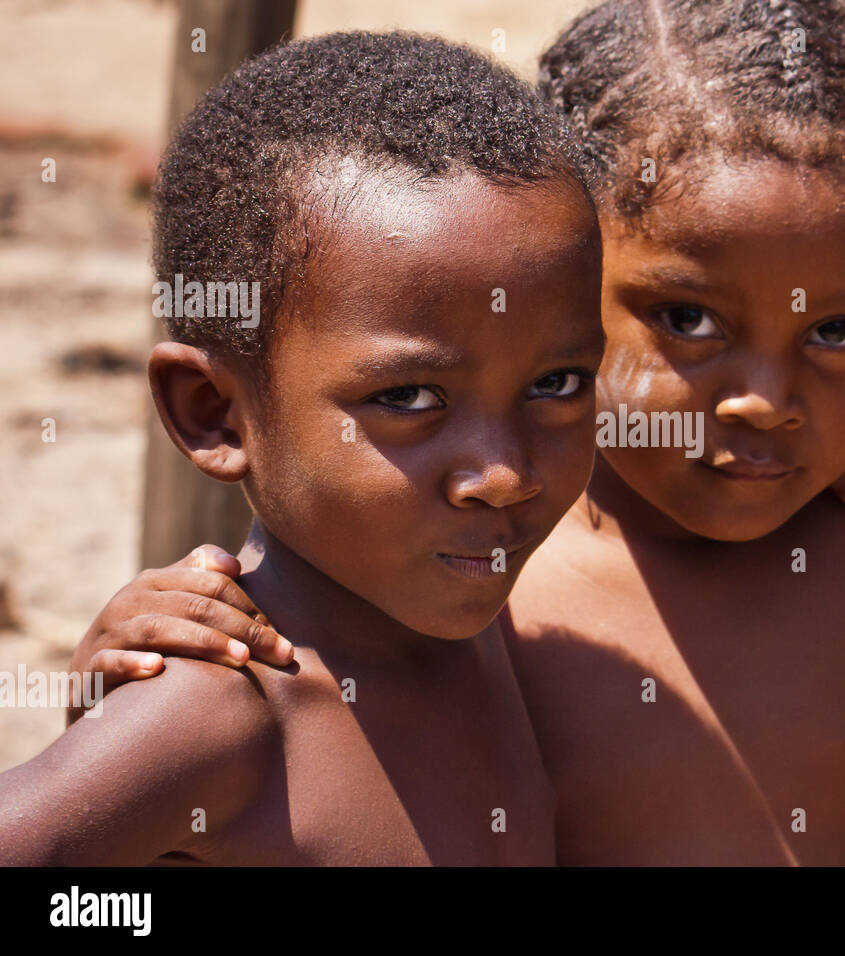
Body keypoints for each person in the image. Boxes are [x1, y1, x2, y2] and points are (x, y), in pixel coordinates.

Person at [68, 0, 845, 865]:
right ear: (554, 275)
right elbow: (255, 751)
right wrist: (123, 670)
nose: (765, 397)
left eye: (843, 328)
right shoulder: (465, 556)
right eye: (687, 318)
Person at [0, 30, 609, 865]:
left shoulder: (504, 644)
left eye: (558, 384)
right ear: (213, 413)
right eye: (407, 398)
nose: (503, 475)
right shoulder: (216, 714)